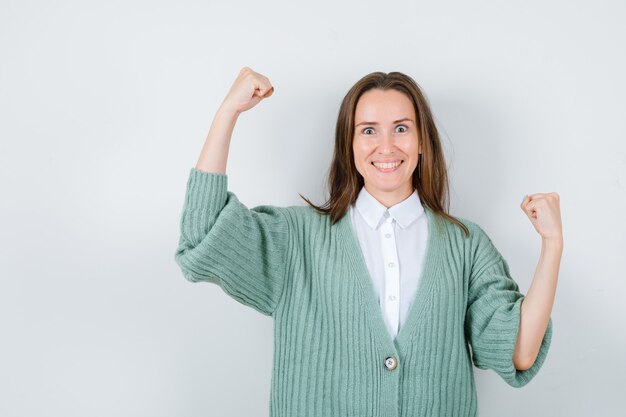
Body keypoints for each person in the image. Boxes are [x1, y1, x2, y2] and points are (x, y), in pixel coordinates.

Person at [174, 67, 563, 417]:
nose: (387, 146)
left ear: (423, 141)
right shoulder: (295, 238)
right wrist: (228, 113)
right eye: (368, 130)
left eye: (401, 128)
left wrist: (552, 245)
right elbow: (202, 233)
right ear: (350, 145)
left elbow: (519, 351)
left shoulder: (467, 245)